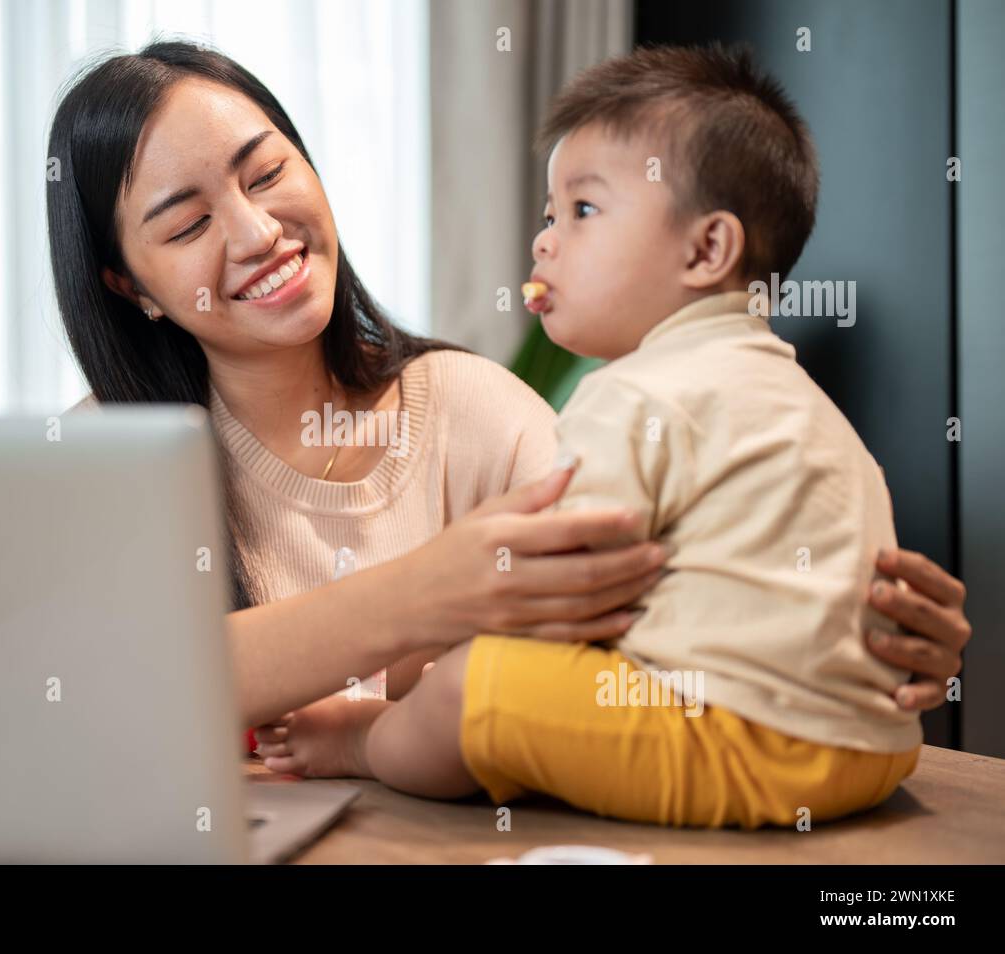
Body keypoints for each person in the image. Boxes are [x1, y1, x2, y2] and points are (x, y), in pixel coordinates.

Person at [47, 41, 970, 774]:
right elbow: (104, 696)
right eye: (189, 223)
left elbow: (642, 597)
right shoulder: (99, 459)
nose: (256, 232)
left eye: (266, 174)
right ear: (132, 287)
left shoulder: (466, 406)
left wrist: (843, 632)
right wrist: (423, 594)